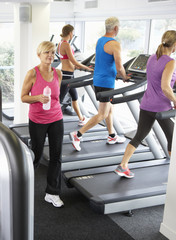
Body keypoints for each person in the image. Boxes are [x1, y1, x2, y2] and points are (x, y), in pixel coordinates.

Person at [115, 30, 176, 178]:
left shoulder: (152, 58)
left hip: (146, 104)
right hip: (161, 107)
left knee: (139, 136)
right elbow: (165, 87)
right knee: (173, 138)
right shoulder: (170, 62)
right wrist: (175, 100)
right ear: (174, 45)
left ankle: (123, 165)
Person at [70, 16, 129, 152]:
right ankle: (78, 135)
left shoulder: (100, 40)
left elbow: (104, 61)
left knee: (109, 109)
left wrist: (117, 73)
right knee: (102, 113)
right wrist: (124, 77)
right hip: (106, 82)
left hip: (99, 80)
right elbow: (120, 67)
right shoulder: (115, 44)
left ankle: (112, 135)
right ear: (116, 28)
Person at [21, 41, 64, 208]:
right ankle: (23, 188)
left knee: (56, 156)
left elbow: (56, 98)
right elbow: (23, 97)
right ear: (39, 55)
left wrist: (53, 107)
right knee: (36, 155)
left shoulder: (58, 73)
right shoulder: (32, 73)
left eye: (52, 52)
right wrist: (37, 98)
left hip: (56, 118)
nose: (50, 55)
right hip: (37, 120)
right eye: (46, 52)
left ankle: (52, 193)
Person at [57, 24, 94, 126]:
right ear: (70, 33)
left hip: (67, 73)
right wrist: (87, 68)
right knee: (59, 100)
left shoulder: (60, 44)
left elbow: (67, 60)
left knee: (75, 97)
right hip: (67, 76)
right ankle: (50, 121)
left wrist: (77, 66)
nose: (73, 35)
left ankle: (81, 118)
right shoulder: (66, 44)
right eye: (72, 33)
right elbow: (74, 61)